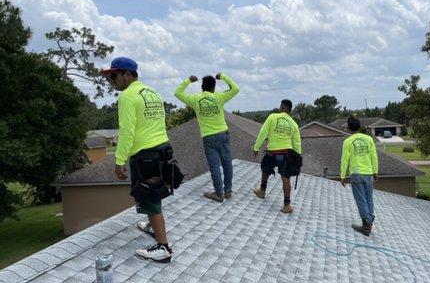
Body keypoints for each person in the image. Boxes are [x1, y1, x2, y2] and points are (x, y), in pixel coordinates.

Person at [101, 57, 173, 263]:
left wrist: (119, 160)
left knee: (149, 198)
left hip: (146, 154)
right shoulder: (152, 92)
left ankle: (163, 247)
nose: (112, 80)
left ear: (128, 74)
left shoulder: (127, 97)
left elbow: (126, 132)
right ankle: (153, 226)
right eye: (109, 77)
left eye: (114, 75)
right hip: (163, 149)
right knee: (155, 193)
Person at [174, 72, 240, 202]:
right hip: (223, 134)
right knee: (227, 164)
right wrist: (223, 77)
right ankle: (227, 191)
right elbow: (236, 88)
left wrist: (188, 80)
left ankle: (218, 193)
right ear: (213, 88)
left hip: (208, 137)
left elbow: (178, 93)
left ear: (202, 87)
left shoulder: (195, 99)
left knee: (215, 166)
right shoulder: (219, 97)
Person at [252, 99, 302, 214]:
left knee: (265, 169)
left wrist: (256, 147)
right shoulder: (293, 124)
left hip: (272, 152)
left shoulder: (272, 117)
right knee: (286, 178)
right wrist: (298, 158)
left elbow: (263, 132)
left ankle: (262, 191)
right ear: (290, 110)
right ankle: (287, 205)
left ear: (282, 107)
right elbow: (297, 143)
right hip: (286, 153)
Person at [340, 116, 379, 236]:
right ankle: (369, 221)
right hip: (368, 174)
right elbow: (374, 156)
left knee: (361, 200)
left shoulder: (347, 142)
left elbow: (345, 160)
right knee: (369, 198)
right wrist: (375, 171)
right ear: (359, 126)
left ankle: (366, 225)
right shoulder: (369, 139)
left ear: (348, 128)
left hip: (356, 174)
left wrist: (342, 176)